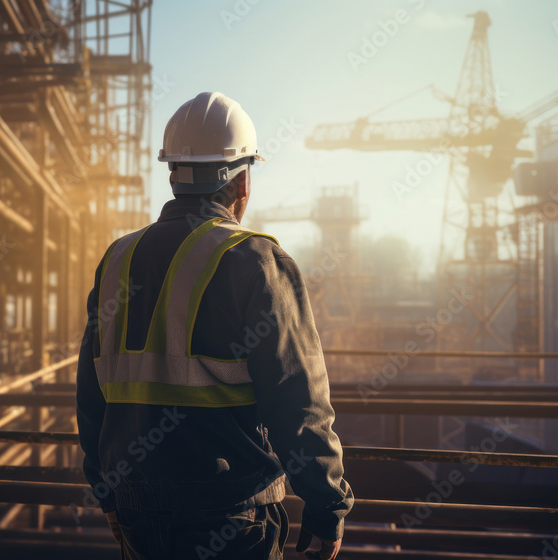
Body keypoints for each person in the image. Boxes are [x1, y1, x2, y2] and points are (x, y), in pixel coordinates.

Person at [76, 92, 353, 560]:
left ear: (173, 176)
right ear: (242, 181)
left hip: (136, 512)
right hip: (231, 516)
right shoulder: (257, 261)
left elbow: (91, 395)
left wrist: (106, 492)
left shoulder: (117, 259)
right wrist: (328, 507)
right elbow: (299, 402)